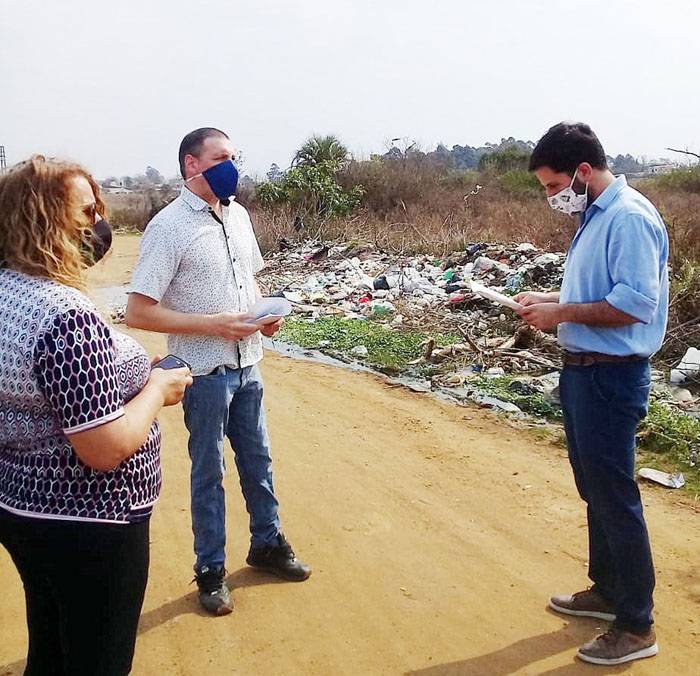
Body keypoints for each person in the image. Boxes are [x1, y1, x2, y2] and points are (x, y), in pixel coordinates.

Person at [0, 155, 192, 675]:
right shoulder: (64, 315)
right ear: (44, 220)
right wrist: (156, 387)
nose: (98, 224)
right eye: (87, 212)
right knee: (96, 659)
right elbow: (103, 447)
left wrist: (123, 373)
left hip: (24, 510)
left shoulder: (8, 292)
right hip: (89, 518)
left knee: (53, 648)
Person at [126, 127, 310, 616]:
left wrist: (262, 317)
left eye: (234, 156)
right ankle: (210, 569)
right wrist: (212, 325)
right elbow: (138, 312)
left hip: (249, 365)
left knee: (259, 461)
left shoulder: (240, 216)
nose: (232, 165)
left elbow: (249, 278)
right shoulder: (168, 227)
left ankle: (267, 544)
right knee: (209, 471)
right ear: (192, 165)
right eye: (221, 157)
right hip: (202, 372)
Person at [515, 122, 668, 666]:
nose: (552, 197)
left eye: (554, 186)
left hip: (611, 374)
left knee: (614, 495)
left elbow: (632, 305)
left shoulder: (628, 218)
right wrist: (551, 300)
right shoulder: (594, 217)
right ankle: (607, 591)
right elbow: (596, 294)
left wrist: (560, 313)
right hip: (582, 372)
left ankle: (636, 624)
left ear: (582, 172)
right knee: (593, 488)